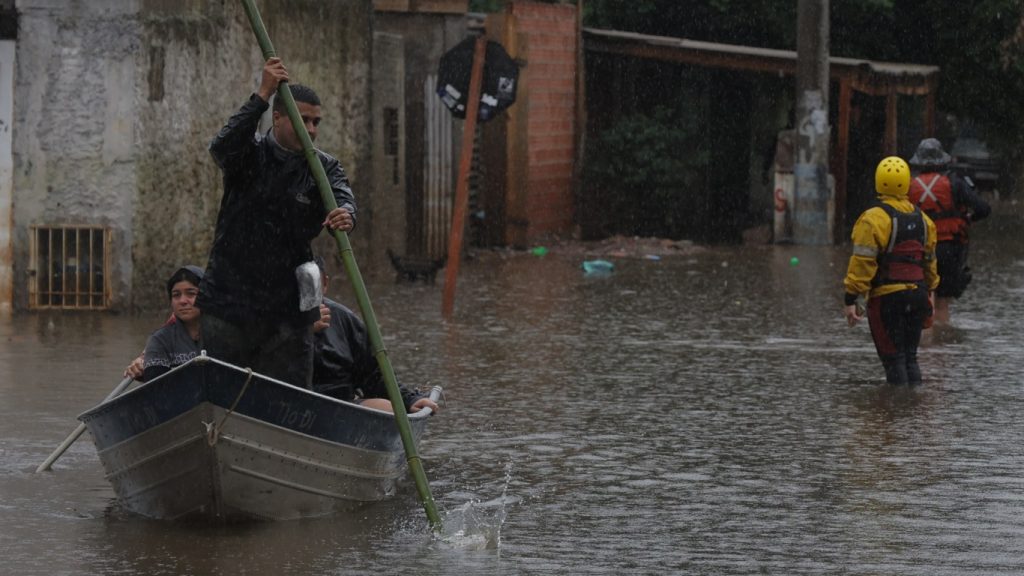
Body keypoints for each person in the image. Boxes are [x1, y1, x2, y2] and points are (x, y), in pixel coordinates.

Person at [197, 57, 356, 389]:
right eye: (304, 121)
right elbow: (220, 148)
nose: (311, 130)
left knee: (289, 392)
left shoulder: (323, 168)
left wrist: (346, 213)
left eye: (316, 123)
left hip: (288, 307)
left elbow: (343, 196)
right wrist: (262, 95)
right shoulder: (247, 156)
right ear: (279, 117)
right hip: (229, 298)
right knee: (223, 390)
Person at [843, 156, 940, 385]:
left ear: (878, 182)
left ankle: (896, 413)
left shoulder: (872, 219)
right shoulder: (925, 221)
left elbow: (861, 264)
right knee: (910, 358)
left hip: (887, 299)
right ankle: (911, 412)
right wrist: (930, 293)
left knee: (894, 360)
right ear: (907, 183)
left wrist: (850, 298)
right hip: (917, 295)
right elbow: (930, 266)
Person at [311, 258, 439, 414]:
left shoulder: (345, 320)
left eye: (312, 284)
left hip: (340, 407)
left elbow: (374, 375)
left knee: (386, 407)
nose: (304, 293)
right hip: (286, 399)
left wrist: (408, 400)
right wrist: (302, 329)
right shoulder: (275, 318)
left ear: (324, 284)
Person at [907, 138, 991, 325]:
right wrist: (968, 219)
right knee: (943, 301)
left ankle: (926, 346)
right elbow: (984, 209)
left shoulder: (908, 185)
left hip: (919, 249)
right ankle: (943, 344)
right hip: (949, 249)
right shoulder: (955, 183)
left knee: (926, 298)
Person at [125, 265, 204, 382]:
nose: (182, 301)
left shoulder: (226, 334)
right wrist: (145, 368)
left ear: (207, 296)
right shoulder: (160, 340)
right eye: (176, 295)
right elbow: (156, 388)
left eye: (191, 294)